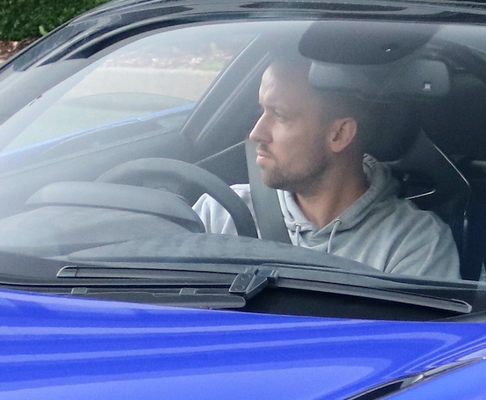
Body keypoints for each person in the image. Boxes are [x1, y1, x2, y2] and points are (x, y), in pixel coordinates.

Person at [194, 60, 461, 281]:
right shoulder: (219, 213)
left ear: (339, 134)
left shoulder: (413, 244)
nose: (256, 133)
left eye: (280, 115)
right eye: (261, 111)